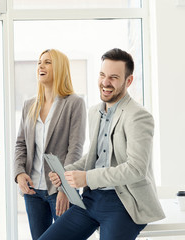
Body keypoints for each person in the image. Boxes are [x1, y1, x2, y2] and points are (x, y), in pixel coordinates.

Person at [41, 48, 165, 240]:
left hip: (124, 203)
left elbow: (136, 169)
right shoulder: (94, 112)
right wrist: (66, 172)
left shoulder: (138, 116)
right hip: (91, 199)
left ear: (128, 81)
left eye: (114, 77)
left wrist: (87, 178)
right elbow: (94, 156)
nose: (105, 83)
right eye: (102, 75)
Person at [14, 49, 87, 239]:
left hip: (59, 190)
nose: (41, 66)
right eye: (39, 62)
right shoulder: (29, 105)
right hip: (32, 191)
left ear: (60, 68)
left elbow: (75, 149)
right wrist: (19, 173)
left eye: (47, 62)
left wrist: (65, 188)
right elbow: (20, 144)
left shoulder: (74, 103)